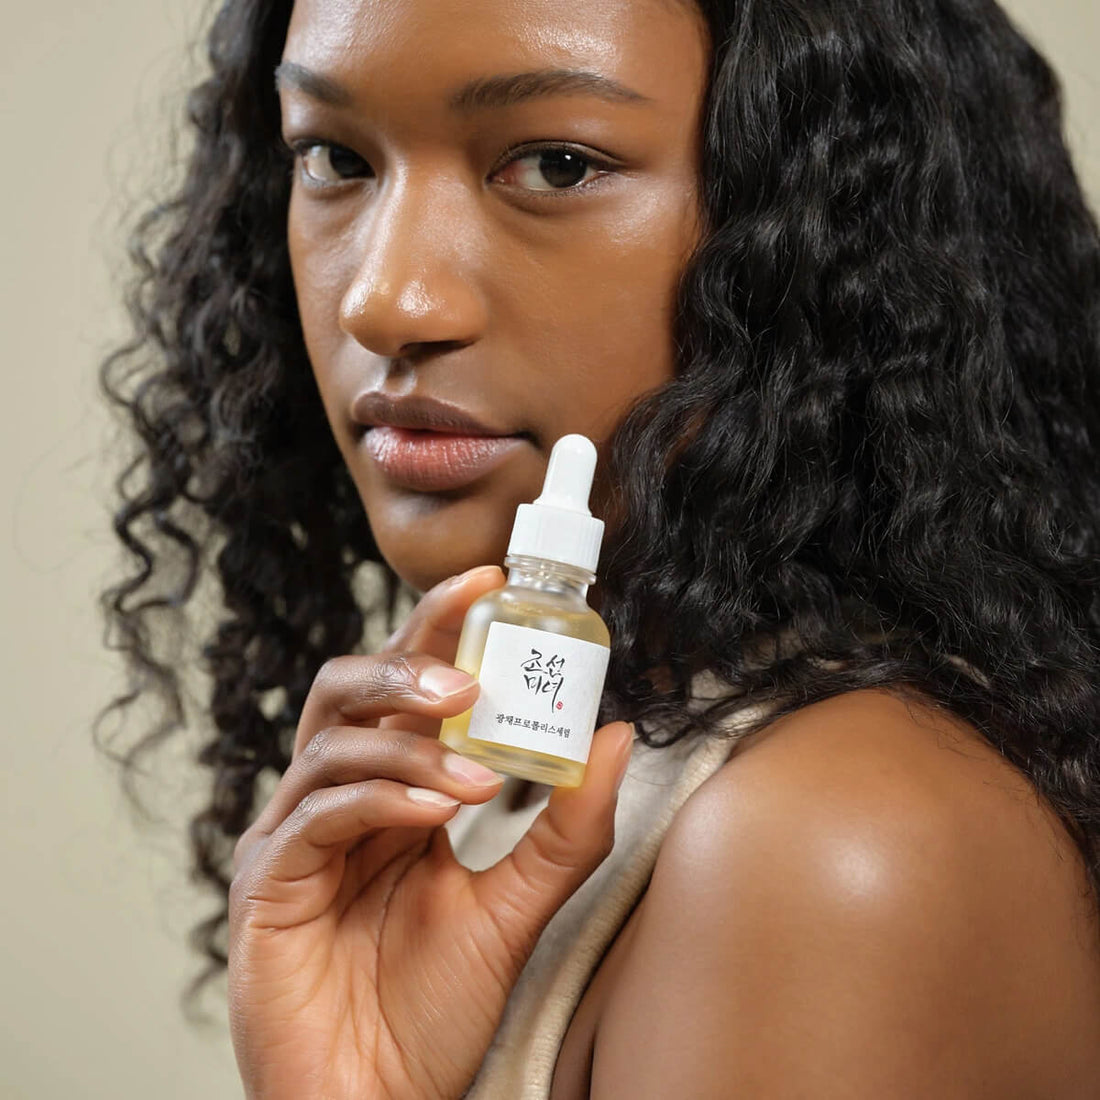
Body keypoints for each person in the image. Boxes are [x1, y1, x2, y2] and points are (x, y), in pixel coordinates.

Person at [97, 0, 1100, 1094]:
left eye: (558, 164)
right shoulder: (528, 754)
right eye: (334, 156)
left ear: (830, 219)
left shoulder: (822, 842)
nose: (388, 299)